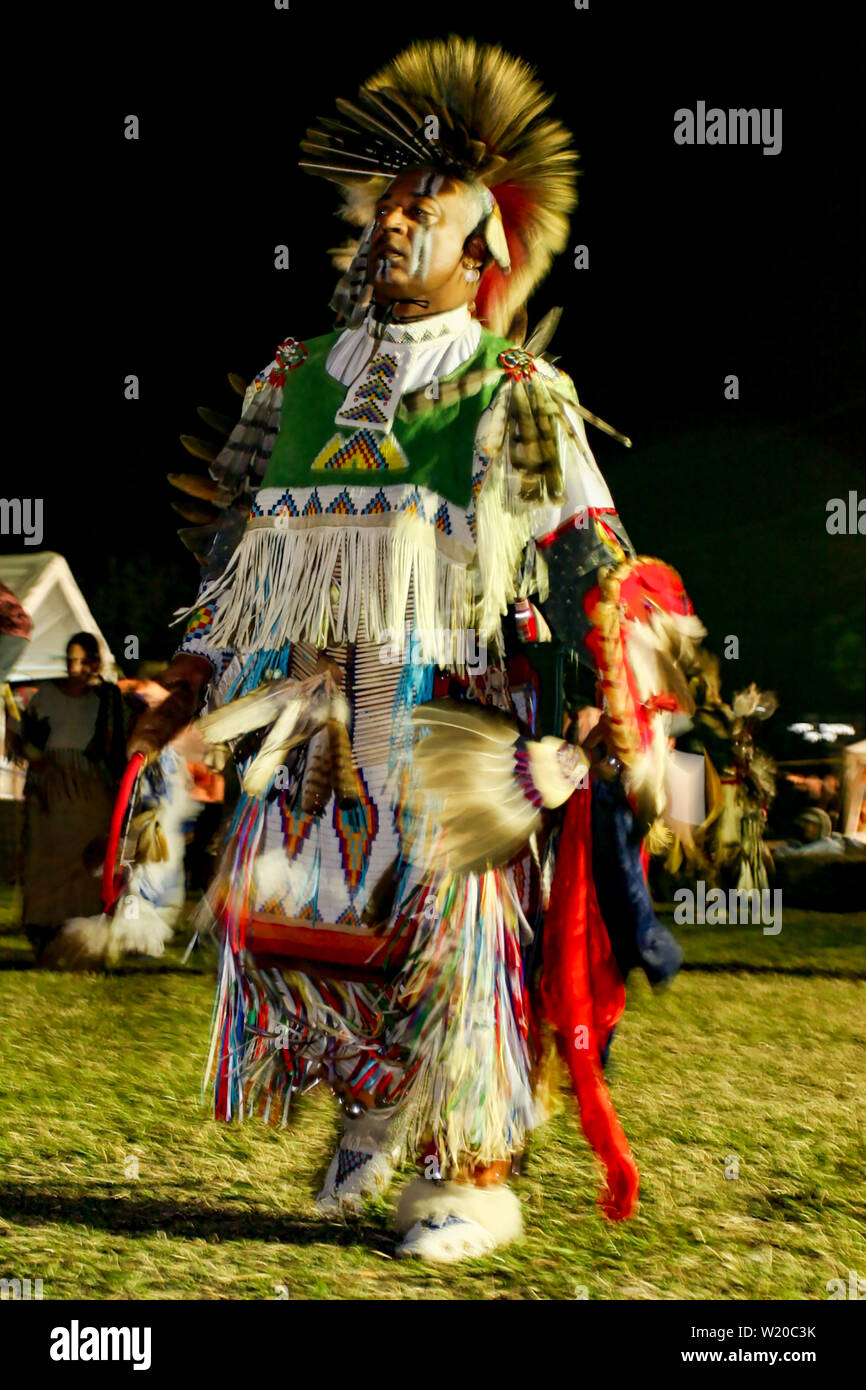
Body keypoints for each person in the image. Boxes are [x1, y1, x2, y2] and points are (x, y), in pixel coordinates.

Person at [130, 38, 702, 1261]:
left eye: (421, 203)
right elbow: (233, 555)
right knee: (299, 923)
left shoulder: (514, 393)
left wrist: (615, 707)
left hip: (453, 720)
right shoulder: (295, 383)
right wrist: (186, 678)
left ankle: (468, 1174)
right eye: (384, 201)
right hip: (313, 721)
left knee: (458, 942)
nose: (392, 220)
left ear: (483, 242)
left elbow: (591, 552)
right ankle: (376, 1101)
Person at [17, 632, 126, 962]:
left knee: (83, 864)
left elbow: (115, 750)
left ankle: (80, 937)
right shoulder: (47, 695)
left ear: (95, 663)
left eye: (82, 661)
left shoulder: (105, 701)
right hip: (50, 786)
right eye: (70, 660)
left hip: (87, 789)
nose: (74, 667)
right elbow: (28, 739)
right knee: (44, 861)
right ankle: (44, 932)